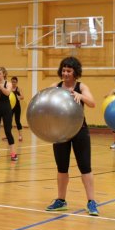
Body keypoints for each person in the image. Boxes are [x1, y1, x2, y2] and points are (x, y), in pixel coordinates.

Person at [45, 56, 98, 216]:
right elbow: (45, 101)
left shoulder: (81, 86)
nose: (65, 73)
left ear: (75, 72)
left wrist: (80, 96)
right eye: (64, 70)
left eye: (69, 70)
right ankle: (61, 200)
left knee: (85, 167)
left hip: (79, 131)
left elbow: (92, 103)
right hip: (60, 133)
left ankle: (91, 202)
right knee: (62, 168)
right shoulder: (55, 86)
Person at [11, 76, 25, 142]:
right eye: (12, 82)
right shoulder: (9, 89)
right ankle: (8, 135)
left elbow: (22, 97)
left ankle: (20, 136)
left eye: (14, 82)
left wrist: (19, 97)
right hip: (10, 107)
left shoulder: (18, 89)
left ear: (16, 82)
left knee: (17, 121)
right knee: (8, 121)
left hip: (17, 107)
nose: (13, 83)